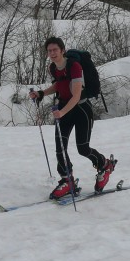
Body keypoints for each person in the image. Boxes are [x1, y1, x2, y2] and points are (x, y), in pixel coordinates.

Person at [29, 36, 116, 199]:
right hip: (63, 107)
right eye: (49, 51)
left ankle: (105, 165)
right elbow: (59, 84)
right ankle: (67, 179)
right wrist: (42, 93)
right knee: (59, 147)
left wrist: (62, 113)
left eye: (55, 50)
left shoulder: (74, 66)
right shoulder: (53, 68)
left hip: (81, 108)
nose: (52, 53)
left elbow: (76, 96)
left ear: (62, 50)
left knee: (83, 148)